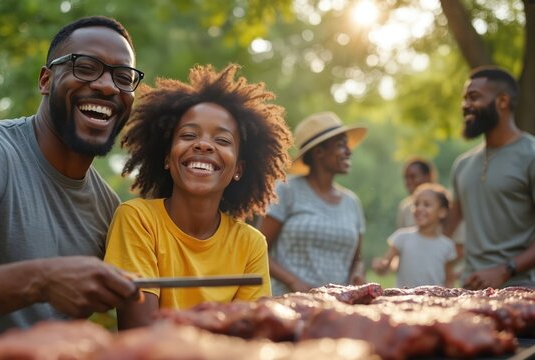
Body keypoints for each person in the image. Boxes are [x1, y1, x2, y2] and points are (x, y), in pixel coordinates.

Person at [0, 16, 143, 358]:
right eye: (86, 67)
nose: (108, 86)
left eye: (123, 77)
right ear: (46, 80)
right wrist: (41, 280)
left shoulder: (110, 211)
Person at [104, 64, 293, 329]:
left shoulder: (250, 244)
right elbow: (140, 330)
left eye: (223, 140)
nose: (203, 144)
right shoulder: (137, 219)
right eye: (188, 135)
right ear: (168, 158)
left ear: (238, 169)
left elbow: (250, 336)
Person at [444, 66, 535, 289]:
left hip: (522, 291)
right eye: (464, 99)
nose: (465, 106)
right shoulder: (462, 164)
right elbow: (447, 230)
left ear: (502, 101)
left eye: (474, 97)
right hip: (469, 289)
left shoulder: (531, 154)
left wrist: (504, 270)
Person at [258, 112, 367, 296]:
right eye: (341, 145)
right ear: (319, 152)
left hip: (339, 307)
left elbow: (357, 259)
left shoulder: (352, 202)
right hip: (290, 303)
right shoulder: (287, 190)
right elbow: (258, 250)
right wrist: (293, 281)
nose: (349, 151)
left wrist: (357, 273)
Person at [372, 183, 458, 288]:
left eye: (426, 205)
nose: (419, 208)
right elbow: (385, 268)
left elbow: (449, 280)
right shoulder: (401, 237)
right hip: (403, 301)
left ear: (442, 212)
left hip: (434, 302)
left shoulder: (447, 246)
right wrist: (381, 266)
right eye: (416, 204)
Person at [396, 157, 436, 229]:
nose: (408, 182)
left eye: (413, 177)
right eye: (406, 178)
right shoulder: (405, 207)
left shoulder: (443, 203)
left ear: (428, 176)